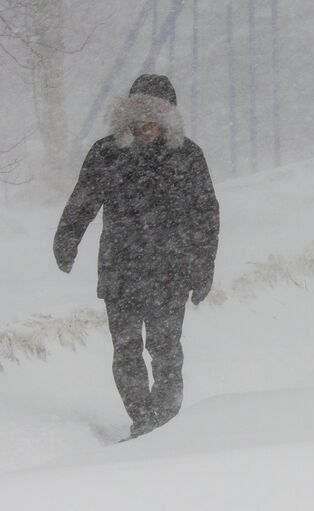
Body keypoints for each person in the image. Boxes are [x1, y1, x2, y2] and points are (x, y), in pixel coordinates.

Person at [53, 74, 220, 438]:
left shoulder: (188, 156)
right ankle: (144, 419)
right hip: (120, 271)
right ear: (128, 116)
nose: (147, 125)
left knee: (165, 350)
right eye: (140, 116)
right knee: (126, 350)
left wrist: (202, 267)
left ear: (168, 120)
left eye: (155, 117)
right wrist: (67, 239)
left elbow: (205, 215)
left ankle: (164, 422)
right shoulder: (107, 153)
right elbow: (83, 200)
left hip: (170, 273)